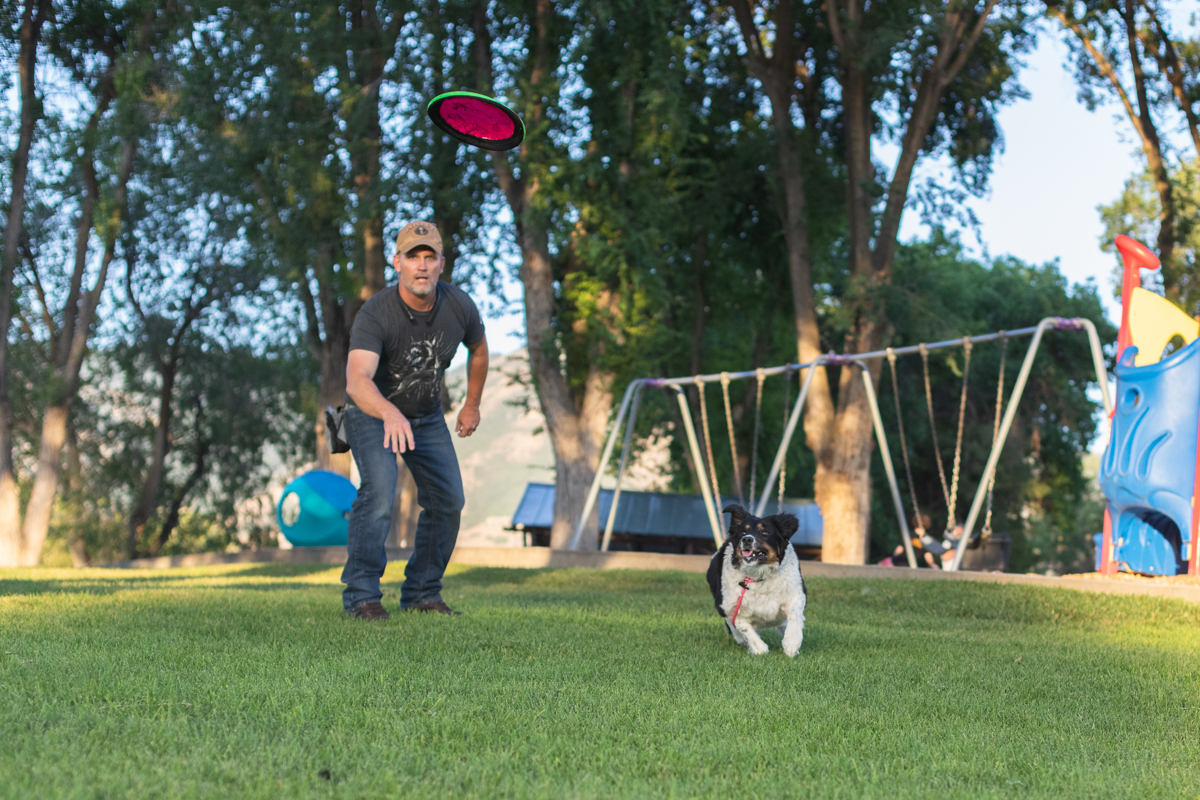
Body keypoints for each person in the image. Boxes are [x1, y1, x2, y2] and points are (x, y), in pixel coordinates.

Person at [340, 220, 489, 620]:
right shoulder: (377, 314)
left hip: (425, 417)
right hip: (371, 413)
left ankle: (423, 592)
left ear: (442, 263)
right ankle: (361, 597)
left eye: (429, 257)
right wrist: (389, 412)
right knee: (380, 493)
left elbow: (479, 348)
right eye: (412, 257)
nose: (421, 266)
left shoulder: (458, 306)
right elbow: (357, 381)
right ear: (397, 263)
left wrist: (472, 403)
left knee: (449, 500)